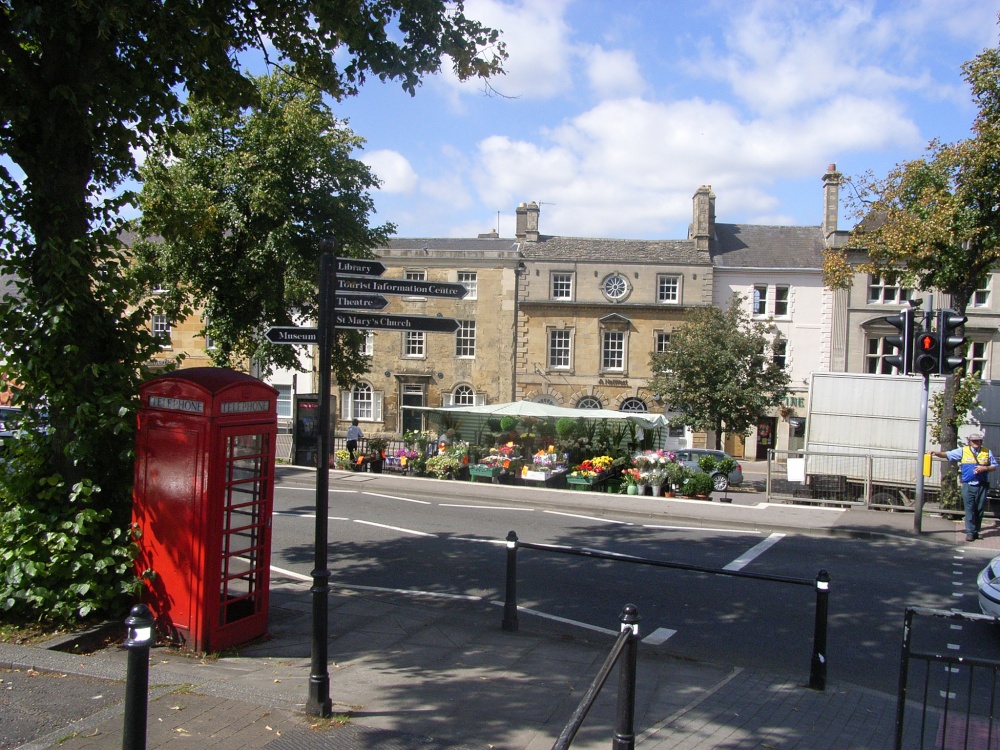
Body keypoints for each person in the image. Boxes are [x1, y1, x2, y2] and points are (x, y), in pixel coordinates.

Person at [931, 433, 998, 542]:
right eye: (974, 441)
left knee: (979, 510)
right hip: (968, 485)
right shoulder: (963, 451)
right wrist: (936, 453)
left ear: (981, 442)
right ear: (969, 442)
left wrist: (984, 468)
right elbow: (948, 454)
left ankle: (976, 531)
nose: (976, 442)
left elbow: (994, 466)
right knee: (970, 509)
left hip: (982, 485)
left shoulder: (987, 452)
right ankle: (970, 532)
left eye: (978, 441)